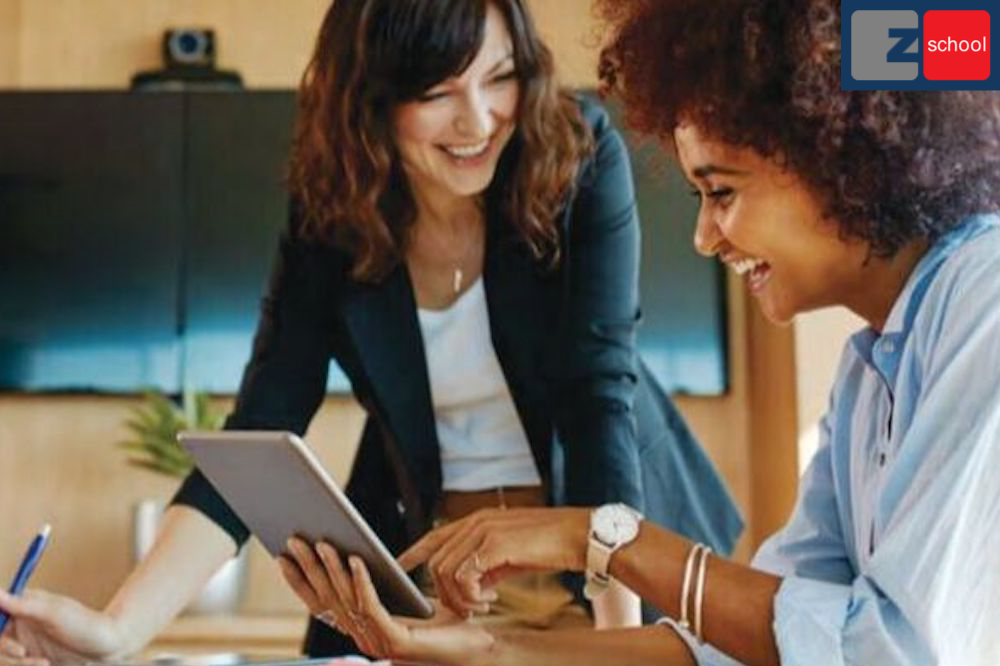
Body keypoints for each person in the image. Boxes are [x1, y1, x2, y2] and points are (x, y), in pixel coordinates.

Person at [0, 0, 741, 663]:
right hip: (441, 569)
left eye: (500, 77)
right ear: (373, 100)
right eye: (437, 92)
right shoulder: (334, 211)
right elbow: (261, 429)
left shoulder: (577, 155)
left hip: (603, 539)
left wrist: (618, 643)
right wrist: (118, 631)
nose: (478, 120)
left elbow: (595, 397)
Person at [268, 1, 1000, 665]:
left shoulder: (984, 296)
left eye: (721, 193)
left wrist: (603, 539)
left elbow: (888, 651)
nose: (705, 237)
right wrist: (486, 652)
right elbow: (761, 644)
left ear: (847, 162)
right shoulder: (867, 375)